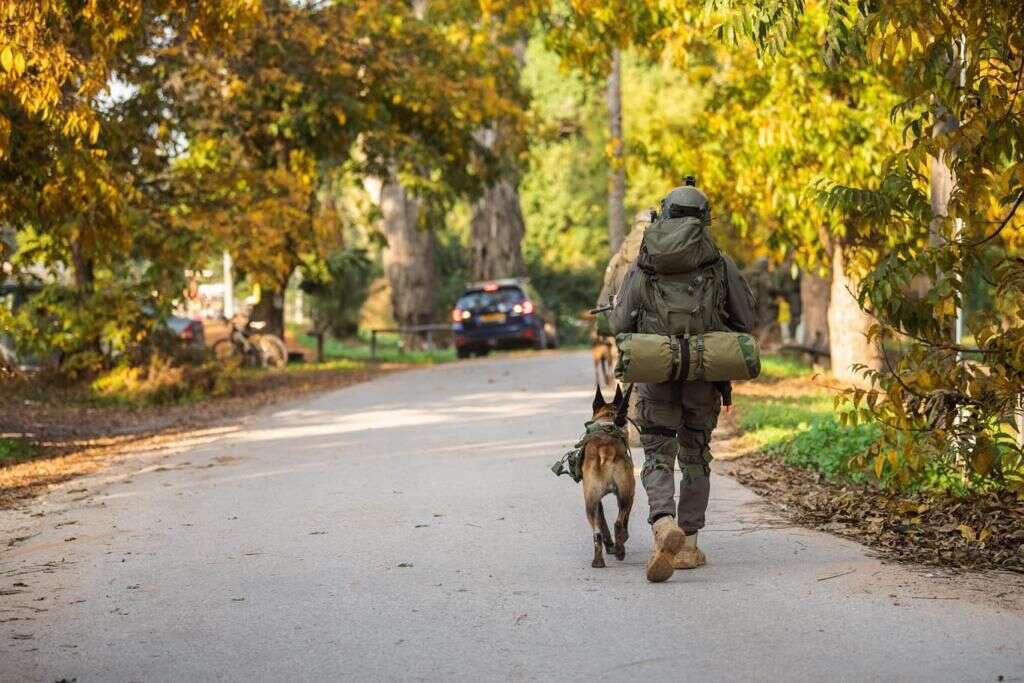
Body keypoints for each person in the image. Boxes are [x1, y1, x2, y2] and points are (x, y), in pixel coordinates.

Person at [607, 183, 757, 583]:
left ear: (665, 215)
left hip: (655, 374)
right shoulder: (720, 264)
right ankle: (688, 544)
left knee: (657, 453)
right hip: (704, 377)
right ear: (705, 218)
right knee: (695, 454)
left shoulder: (644, 264)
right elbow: (746, 322)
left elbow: (619, 324)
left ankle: (662, 524)